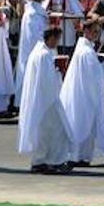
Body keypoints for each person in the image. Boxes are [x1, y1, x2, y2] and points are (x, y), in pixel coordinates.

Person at [60, 19, 104, 166]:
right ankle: (77, 157)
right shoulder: (86, 52)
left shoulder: (85, 49)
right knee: (83, 125)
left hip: (87, 93)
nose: (97, 34)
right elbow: (96, 74)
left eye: (98, 32)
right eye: (94, 31)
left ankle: (98, 153)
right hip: (86, 95)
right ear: (86, 31)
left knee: (92, 125)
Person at [16, 27, 73, 174]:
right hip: (46, 101)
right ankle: (50, 161)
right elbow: (47, 80)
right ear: (50, 38)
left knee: (45, 132)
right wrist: (59, 74)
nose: (57, 43)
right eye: (56, 39)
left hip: (41, 100)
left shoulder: (39, 52)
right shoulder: (44, 55)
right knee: (53, 131)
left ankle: (44, 161)